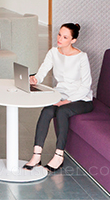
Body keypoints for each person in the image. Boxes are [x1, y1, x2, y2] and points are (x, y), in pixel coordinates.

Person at [23, 23, 93, 172]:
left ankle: (59, 155)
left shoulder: (82, 57)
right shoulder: (53, 52)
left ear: (73, 40)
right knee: (47, 111)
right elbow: (42, 72)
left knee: (62, 111)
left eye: (65, 37)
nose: (60, 39)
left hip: (81, 98)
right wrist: (35, 79)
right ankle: (36, 155)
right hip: (60, 94)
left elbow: (86, 86)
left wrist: (67, 101)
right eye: (59, 34)